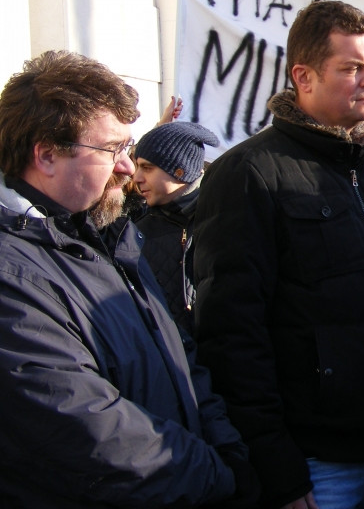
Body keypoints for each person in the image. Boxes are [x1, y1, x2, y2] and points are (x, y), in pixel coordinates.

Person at [193, 0, 364, 509]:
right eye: (350, 68)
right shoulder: (249, 174)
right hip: (312, 464)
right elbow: (231, 335)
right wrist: (274, 463)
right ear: (303, 76)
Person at [0, 50, 256, 507]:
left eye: (128, 149)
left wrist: (230, 452)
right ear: (46, 155)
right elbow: (90, 432)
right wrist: (218, 476)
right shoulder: (12, 276)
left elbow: (182, 360)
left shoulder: (108, 235)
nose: (126, 168)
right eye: (112, 149)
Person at [133, 121, 220, 336]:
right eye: (137, 166)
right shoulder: (136, 231)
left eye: (147, 167)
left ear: (180, 170)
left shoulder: (223, 219)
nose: (136, 177)